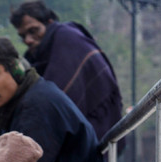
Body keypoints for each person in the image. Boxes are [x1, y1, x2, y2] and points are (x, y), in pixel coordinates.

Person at [10, 1, 123, 142]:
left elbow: (56, 96)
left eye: (33, 31)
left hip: (97, 123)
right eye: (23, 36)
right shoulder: (33, 59)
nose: (28, 40)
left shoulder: (67, 36)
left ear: (49, 23)